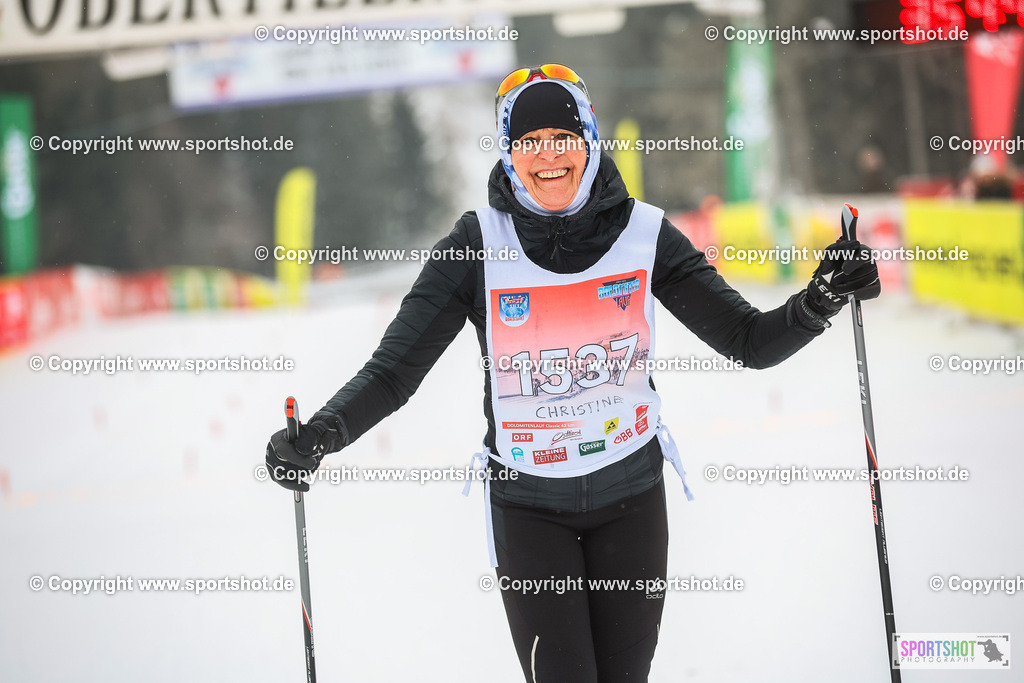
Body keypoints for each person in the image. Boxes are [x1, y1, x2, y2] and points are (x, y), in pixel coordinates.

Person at [265, 63, 881, 682]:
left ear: (588, 139)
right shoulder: (475, 245)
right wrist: (322, 433)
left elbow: (749, 341)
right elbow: (394, 373)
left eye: (562, 137)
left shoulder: (645, 235)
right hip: (531, 509)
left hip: (632, 500)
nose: (548, 155)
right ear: (509, 153)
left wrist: (819, 300)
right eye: (528, 142)